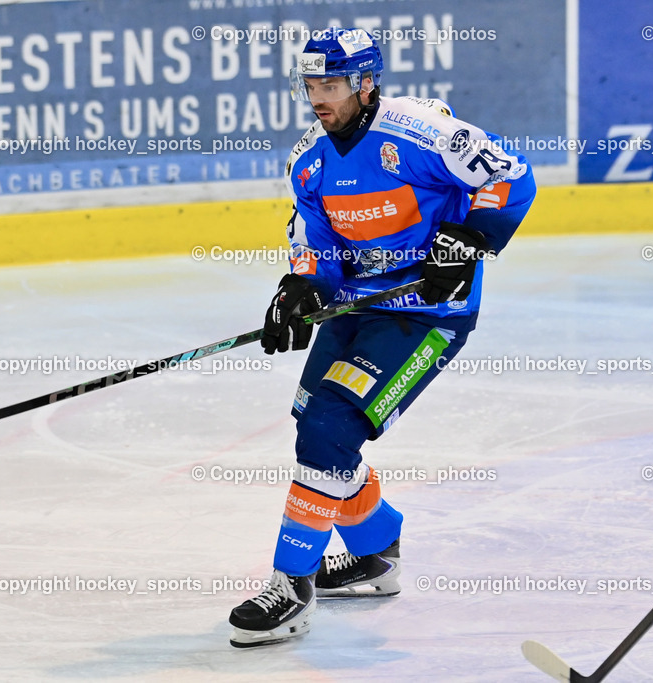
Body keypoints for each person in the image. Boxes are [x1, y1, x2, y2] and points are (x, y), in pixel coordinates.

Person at [227, 27, 536, 648]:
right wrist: (303, 286)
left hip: (424, 314)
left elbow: (511, 176)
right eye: (310, 85)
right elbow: (314, 241)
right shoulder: (310, 160)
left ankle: (292, 586)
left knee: (330, 430)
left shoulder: (420, 133)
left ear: (367, 83)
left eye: (332, 85)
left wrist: (471, 237)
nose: (319, 97)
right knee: (316, 427)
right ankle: (374, 554)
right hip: (355, 309)